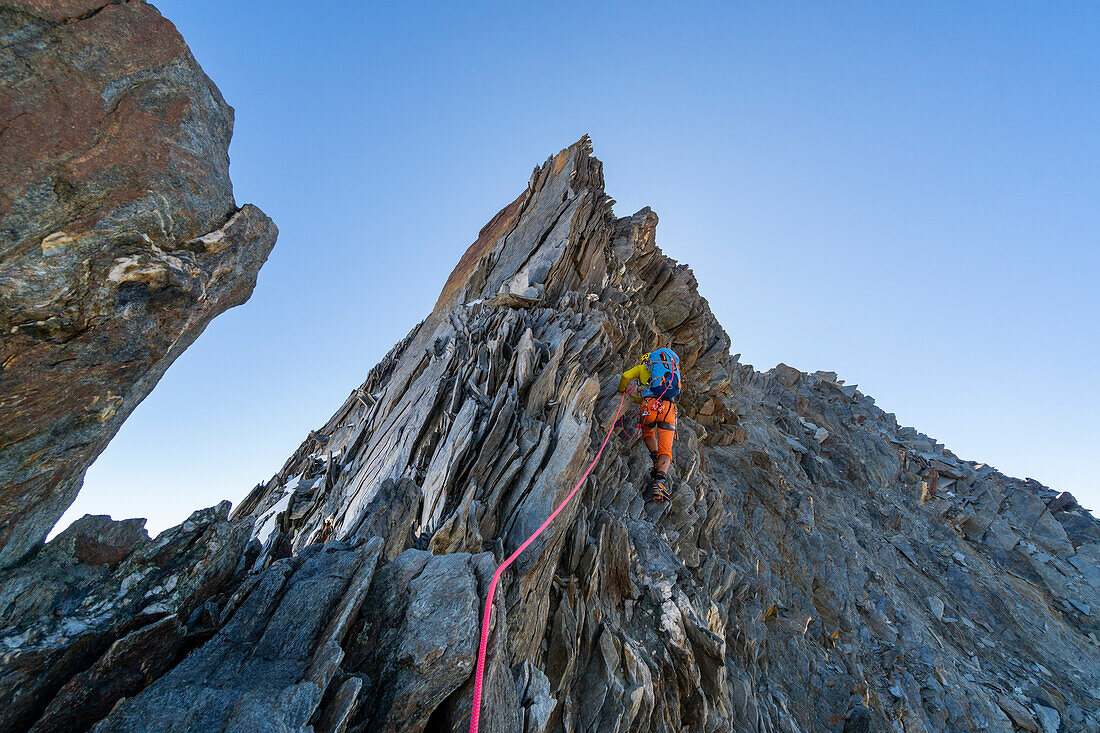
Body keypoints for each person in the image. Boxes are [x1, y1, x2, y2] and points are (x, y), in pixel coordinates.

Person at [617, 347, 681, 503]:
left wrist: (622, 391)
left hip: (650, 406)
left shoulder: (642, 368)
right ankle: (660, 482)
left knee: (648, 433)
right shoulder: (669, 370)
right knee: (666, 449)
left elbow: (625, 376)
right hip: (669, 409)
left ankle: (654, 458)